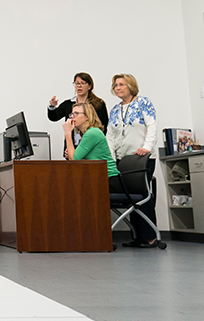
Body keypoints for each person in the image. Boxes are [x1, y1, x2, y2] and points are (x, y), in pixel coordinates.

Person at [105, 73, 159, 248]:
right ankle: (137, 236)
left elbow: (152, 126)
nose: (118, 88)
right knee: (131, 199)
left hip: (142, 158)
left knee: (143, 196)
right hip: (123, 160)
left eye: (121, 84)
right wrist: (112, 159)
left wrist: (147, 147)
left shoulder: (143, 103)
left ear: (130, 86)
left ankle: (149, 237)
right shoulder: (115, 110)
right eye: (115, 85)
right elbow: (110, 136)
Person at [63, 102, 121, 195]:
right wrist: (72, 153)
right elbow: (75, 160)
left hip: (109, 181)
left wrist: (67, 133)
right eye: (72, 114)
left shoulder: (92, 133)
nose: (72, 117)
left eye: (76, 114)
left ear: (87, 116)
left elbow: (74, 160)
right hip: (100, 178)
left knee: (69, 190)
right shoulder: (88, 133)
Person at [48, 72, 108, 158]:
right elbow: (54, 117)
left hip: (90, 146)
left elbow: (103, 126)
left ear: (89, 86)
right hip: (72, 145)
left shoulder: (98, 104)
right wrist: (52, 106)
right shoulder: (68, 104)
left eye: (83, 83)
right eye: (77, 83)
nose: (79, 86)